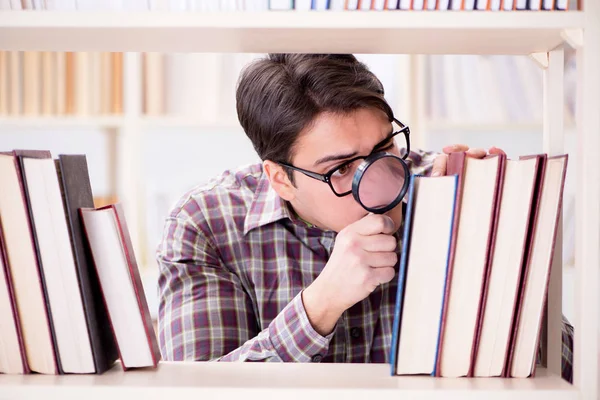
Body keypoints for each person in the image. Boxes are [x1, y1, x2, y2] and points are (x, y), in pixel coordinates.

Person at [156, 53, 572, 380]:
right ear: (280, 178)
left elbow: (570, 369)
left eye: (383, 149)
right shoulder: (204, 223)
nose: (380, 183)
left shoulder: (443, 189)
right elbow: (195, 389)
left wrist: (501, 246)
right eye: (340, 169)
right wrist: (321, 304)